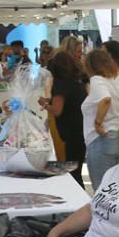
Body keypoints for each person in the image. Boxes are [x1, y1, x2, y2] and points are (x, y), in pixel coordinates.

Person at [81, 48, 119, 191]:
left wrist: (97, 122)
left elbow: (105, 99)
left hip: (100, 138)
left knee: (102, 190)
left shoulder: (97, 80)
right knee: (117, 189)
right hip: (118, 137)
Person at [44, 49, 88, 186]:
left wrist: (45, 104)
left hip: (69, 134)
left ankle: (78, 203)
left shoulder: (61, 85)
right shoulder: (78, 83)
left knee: (70, 174)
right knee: (76, 172)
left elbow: (57, 110)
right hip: (80, 130)